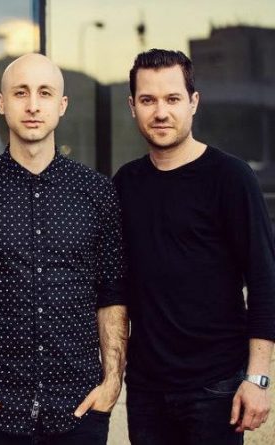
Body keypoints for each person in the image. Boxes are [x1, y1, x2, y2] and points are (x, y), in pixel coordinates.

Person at [0, 53, 128, 445]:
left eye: (44, 93)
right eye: (21, 93)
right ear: (1, 103)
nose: (32, 105)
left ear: (62, 105)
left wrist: (112, 382)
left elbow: (111, 295)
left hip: (79, 408)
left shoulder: (96, 191)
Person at [114, 48, 275, 445]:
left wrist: (257, 378)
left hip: (217, 387)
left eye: (173, 99)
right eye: (148, 100)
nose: (161, 112)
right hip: (147, 390)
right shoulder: (126, 183)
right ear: (132, 107)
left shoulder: (231, 177)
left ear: (193, 102)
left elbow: (264, 280)